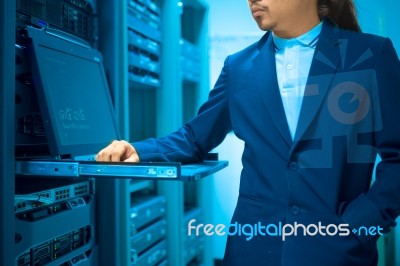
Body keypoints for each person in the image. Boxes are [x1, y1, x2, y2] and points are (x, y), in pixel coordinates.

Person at [97, 0, 400, 265]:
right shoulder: (239, 67)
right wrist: (138, 150)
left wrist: (360, 225)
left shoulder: (370, 55)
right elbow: (194, 137)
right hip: (252, 249)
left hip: (336, 252)